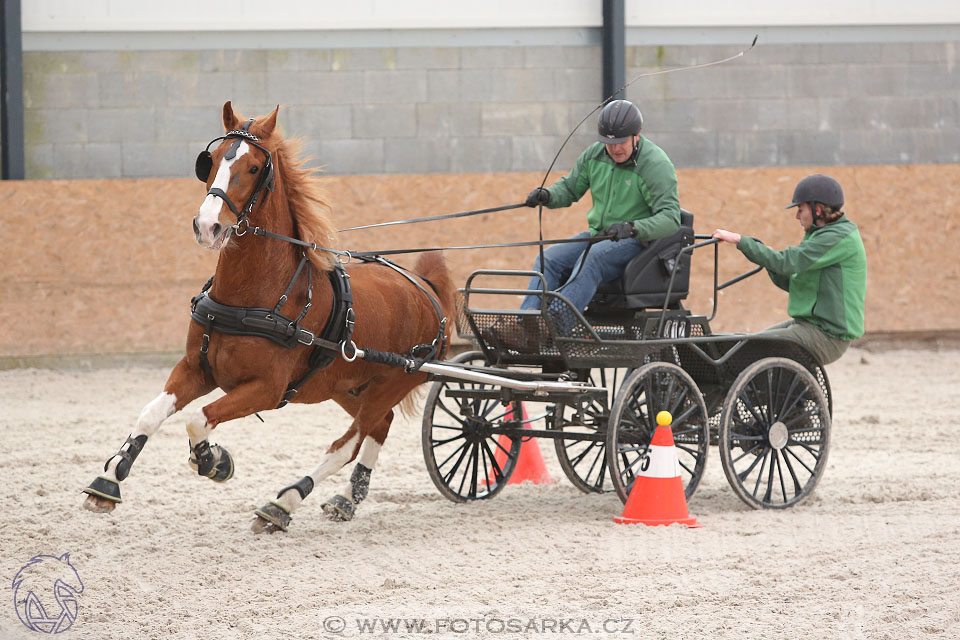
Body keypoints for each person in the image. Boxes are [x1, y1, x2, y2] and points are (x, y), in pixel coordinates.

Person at [487, 99, 681, 349]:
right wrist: (548, 195)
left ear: (637, 136)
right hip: (599, 236)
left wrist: (632, 227)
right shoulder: (595, 155)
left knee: (593, 259)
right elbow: (570, 187)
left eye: (621, 142)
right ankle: (526, 322)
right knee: (550, 259)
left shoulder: (655, 165)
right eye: (609, 143)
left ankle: (552, 325)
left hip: (636, 243)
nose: (614, 149)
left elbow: (670, 218)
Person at [712, 174, 867, 365]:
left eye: (800, 210)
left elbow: (786, 263)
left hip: (827, 336)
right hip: (809, 326)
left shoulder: (836, 238)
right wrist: (769, 261)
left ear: (817, 210)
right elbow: (794, 282)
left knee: (755, 347)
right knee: (744, 346)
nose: (796, 216)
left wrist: (739, 241)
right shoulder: (821, 235)